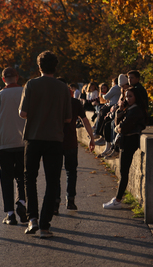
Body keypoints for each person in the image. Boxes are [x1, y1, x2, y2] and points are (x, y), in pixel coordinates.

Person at [19, 51, 72, 238]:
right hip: (55, 139)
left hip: (33, 137)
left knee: (30, 178)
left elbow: (22, 113)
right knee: (52, 182)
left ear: (39, 66)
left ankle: (31, 218)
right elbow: (67, 118)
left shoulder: (31, 85)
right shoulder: (63, 88)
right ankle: (44, 226)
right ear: (55, 67)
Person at [0, 67, 27, 226]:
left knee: (6, 178)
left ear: (3, 79)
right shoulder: (25, 92)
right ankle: (21, 202)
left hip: (4, 143)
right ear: (17, 77)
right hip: (23, 142)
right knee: (23, 176)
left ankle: (10, 214)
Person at [55, 78, 96, 213]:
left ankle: (55, 202)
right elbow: (85, 121)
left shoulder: (53, 102)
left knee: (55, 173)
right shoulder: (75, 103)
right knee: (71, 172)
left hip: (55, 142)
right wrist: (91, 137)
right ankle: (70, 200)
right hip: (71, 142)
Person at [103, 87, 146, 209]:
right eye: (126, 96)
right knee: (123, 172)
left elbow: (123, 127)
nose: (128, 98)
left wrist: (117, 128)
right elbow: (119, 124)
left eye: (130, 96)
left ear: (136, 97)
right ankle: (118, 198)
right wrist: (119, 111)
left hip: (129, 141)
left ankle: (117, 200)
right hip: (126, 141)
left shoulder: (135, 110)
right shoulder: (130, 109)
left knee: (124, 172)